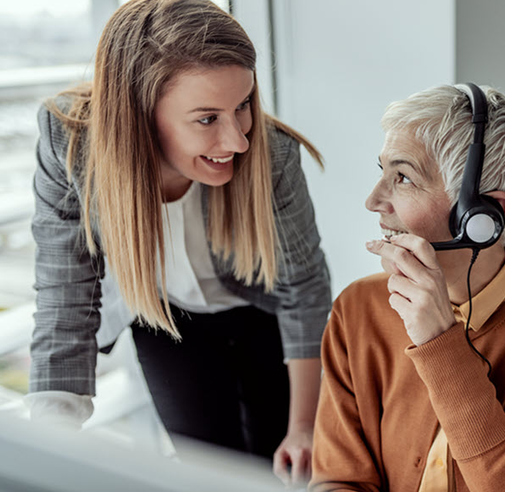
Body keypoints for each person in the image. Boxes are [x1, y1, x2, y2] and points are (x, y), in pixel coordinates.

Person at [25, 0, 331, 486]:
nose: (239, 141)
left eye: (243, 106)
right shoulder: (70, 142)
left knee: (285, 465)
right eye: (208, 118)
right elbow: (66, 296)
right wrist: (46, 449)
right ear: (140, 114)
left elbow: (305, 286)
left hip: (264, 314)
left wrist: (305, 427)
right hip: (165, 318)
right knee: (212, 472)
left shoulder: (271, 153)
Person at [310, 84, 505, 491]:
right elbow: (338, 479)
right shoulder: (358, 308)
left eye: (402, 177)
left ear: (481, 216)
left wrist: (440, 341)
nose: (373, 201)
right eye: (382, 172)